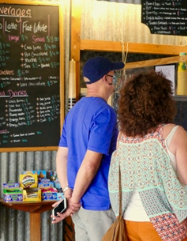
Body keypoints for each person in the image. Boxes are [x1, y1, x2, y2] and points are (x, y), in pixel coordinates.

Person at [109, 71, 187, 241]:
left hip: (128, 223)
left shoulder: (123, 137)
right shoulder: (173, 133)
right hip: (163, 227)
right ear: (162, 101)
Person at [52, 56, 125, 241]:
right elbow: (91, 164)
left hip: (79, 204)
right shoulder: (105, 112)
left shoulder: (74, 111)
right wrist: (74, 199)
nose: (114, 80)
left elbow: (62, 156)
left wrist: (68, 192)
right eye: (113, 75)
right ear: (105, 78)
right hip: (98, 203)